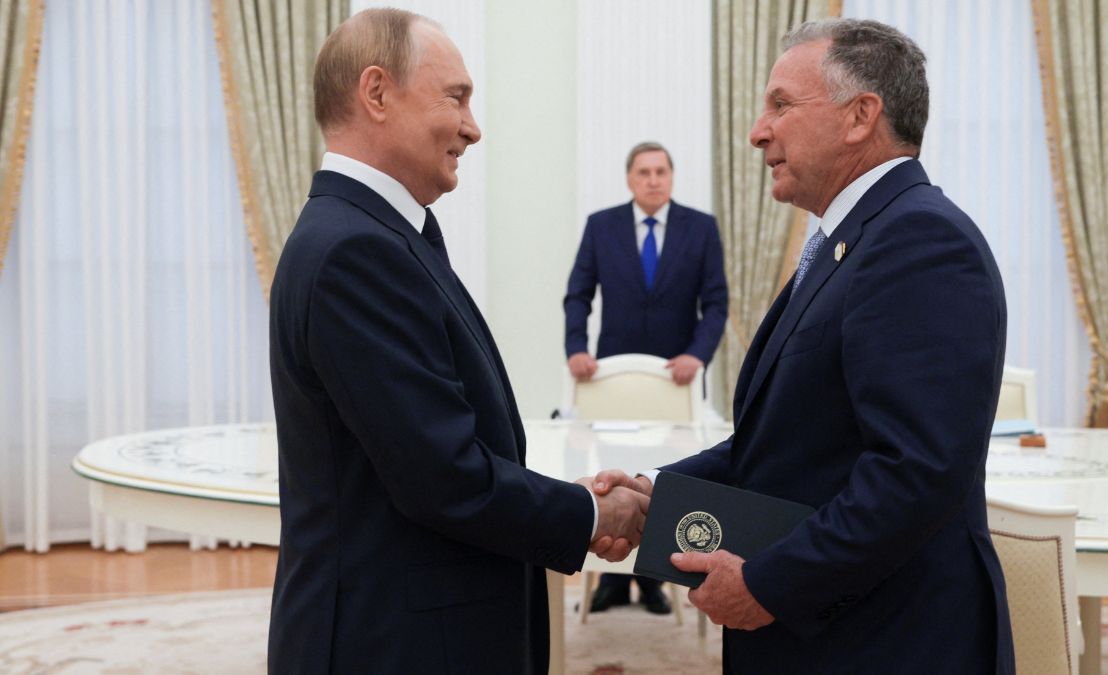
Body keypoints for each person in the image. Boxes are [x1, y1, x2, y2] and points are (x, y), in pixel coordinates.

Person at [596, 18, 1016, 674]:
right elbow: (787, 442)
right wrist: (658, 493)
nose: (758, 131)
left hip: (889, 644)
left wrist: (770, 581)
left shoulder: (922, 244)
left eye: (781, 105)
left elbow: (914, 472)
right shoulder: (850, 242)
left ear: (860, 116)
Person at [267, 10, 646, 674]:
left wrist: (574, 500)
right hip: (394, 644)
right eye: (457, 97)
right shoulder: (356, 249)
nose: (473, 126)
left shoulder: (377, 233)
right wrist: (588, 511)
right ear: (377, 93)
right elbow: (443, 478)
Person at [563, 142, 729, 615]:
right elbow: (578, 294)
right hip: (611, 379)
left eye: (661, 171)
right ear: (630, 180)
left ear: (671, 178)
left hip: (673, 383)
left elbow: (715, 303)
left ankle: (653, 578)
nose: (653, 179)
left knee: (662, 477)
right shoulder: (602, 226)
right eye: (644, 172)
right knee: (613, 475)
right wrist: (576, 347)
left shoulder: (701, 229)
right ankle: (611, 583)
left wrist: (697, 355)